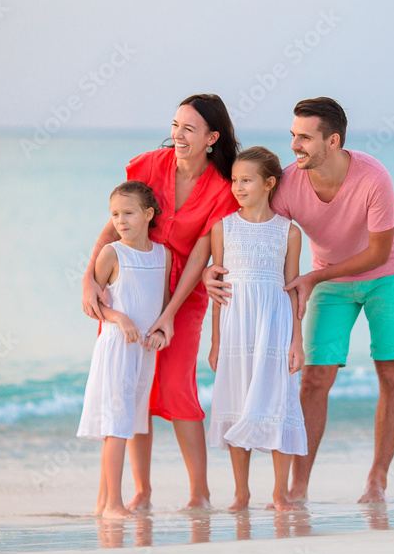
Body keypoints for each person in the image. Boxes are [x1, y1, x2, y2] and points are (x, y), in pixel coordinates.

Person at [205, 97, 394, 504]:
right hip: (328, 281)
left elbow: (379, 252)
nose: (295, 145)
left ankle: (377, 478)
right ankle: (297, 488)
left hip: (384, 276)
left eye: (305, 138)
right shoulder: (288, 182)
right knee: (315, 378)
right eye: (293, 136)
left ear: (332, 141)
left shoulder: (374, 178)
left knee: (390, 371)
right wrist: (209, 268)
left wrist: (313, 276)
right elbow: (250, 225)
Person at [82, 94, 239, 510]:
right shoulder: (150, 165)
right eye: (175, 125)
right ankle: (141, 492)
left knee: (175, 387)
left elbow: (201, 256)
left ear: (212, 137)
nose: (178, 135)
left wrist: (169, 315)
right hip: (129, 286)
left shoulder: (222, 188)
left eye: (189, 128)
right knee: (134, 388)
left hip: (184, 295)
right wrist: (88, 280)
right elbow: (115, 223)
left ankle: (199, 494)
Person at [206, 147, 306, 512]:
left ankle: (280, 493)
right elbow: (217, 290)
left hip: (275, 330)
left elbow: (294, 288)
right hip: (236, 330)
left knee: (279, 403)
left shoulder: (289, 232)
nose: (237, 187)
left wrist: (297, 341)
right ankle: (241, 494)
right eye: (234, 180)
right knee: (237, 404)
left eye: (246, 180)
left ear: (269, 183)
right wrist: (215, 341)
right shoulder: (223, 228)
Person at [77, 181, 171, 519]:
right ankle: (114, 504)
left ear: (148, 215)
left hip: (144, 351)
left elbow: (160, 306)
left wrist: (161, 332)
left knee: (127, 421)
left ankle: (103, 503)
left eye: (128, 213)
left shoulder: (164, 255)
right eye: (115, 214)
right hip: (117, 346)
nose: (121, 221)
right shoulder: (111, 253)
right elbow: (93, 304)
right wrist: (118, 317)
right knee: (116, 424)